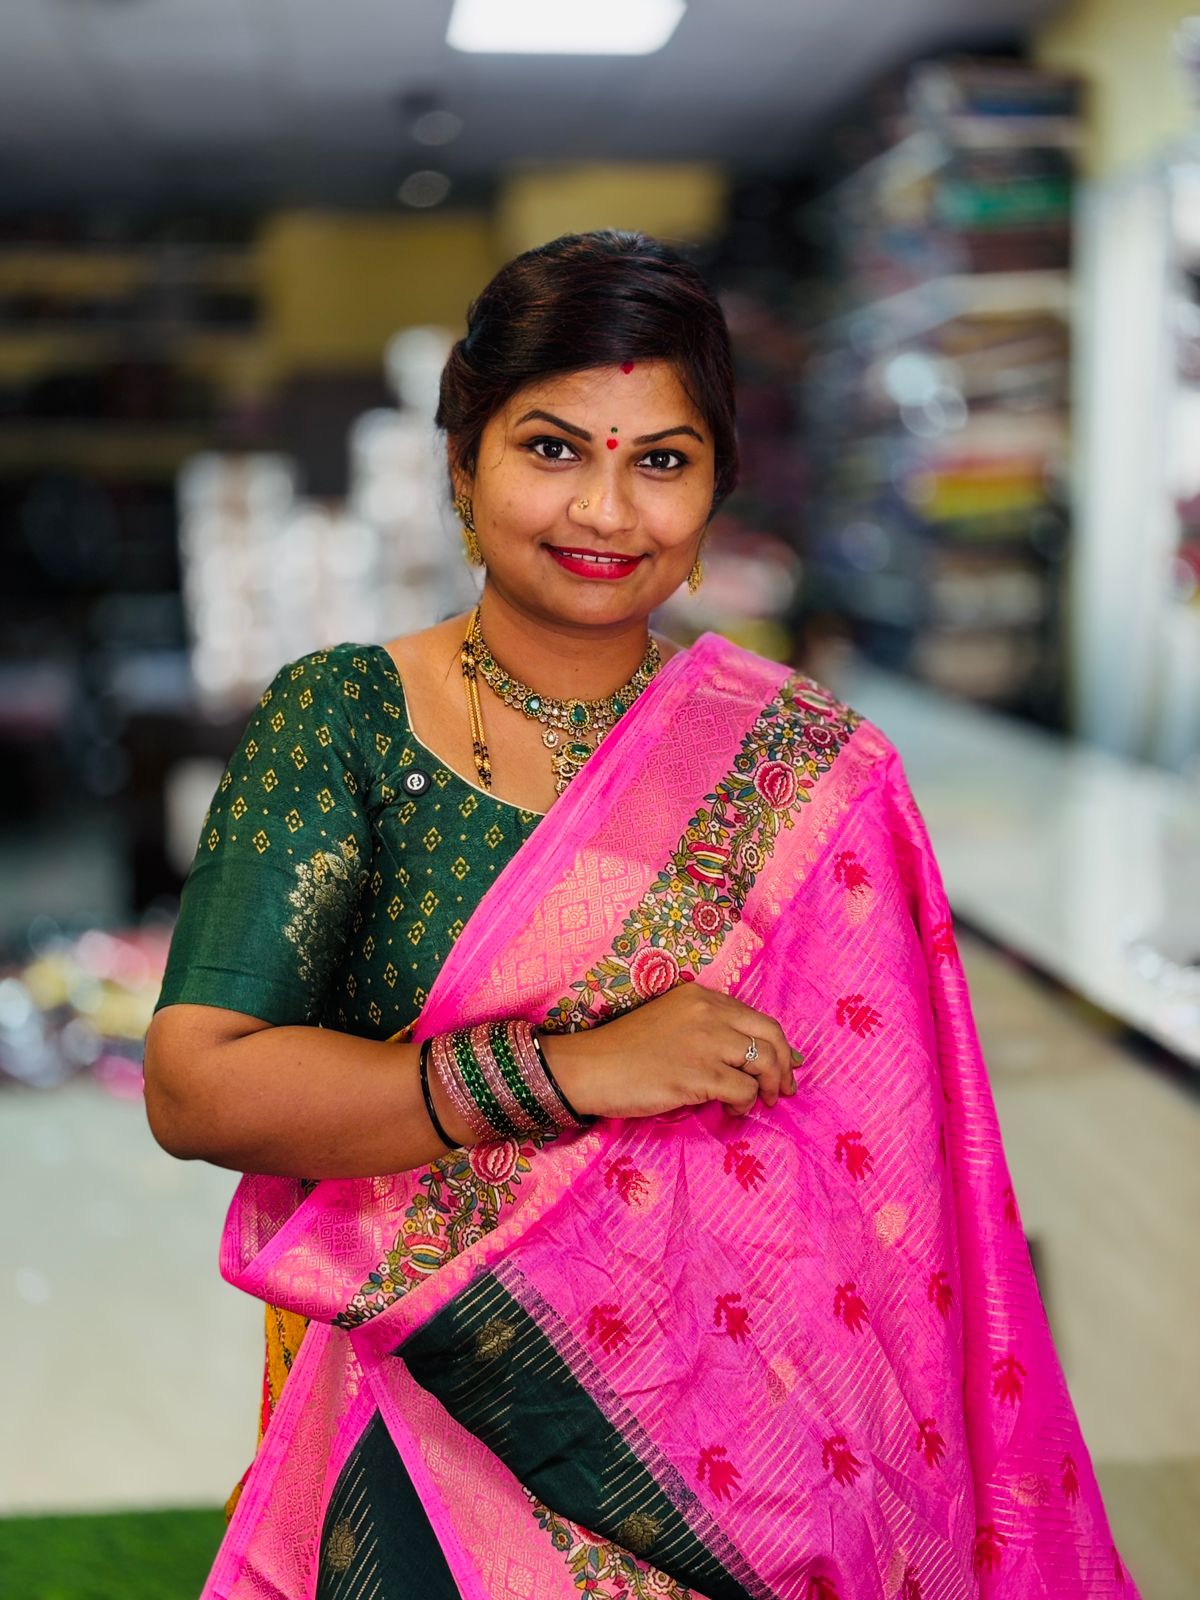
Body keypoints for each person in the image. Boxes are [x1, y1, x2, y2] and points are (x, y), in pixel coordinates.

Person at [145, 230, 1137, 1600]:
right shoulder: (346, 720)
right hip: (437, 1413)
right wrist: (569, 1072)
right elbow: (200, 1086)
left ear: (717, 485)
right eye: (552, 449)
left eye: (661, 461)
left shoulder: (809, 769)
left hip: (756, 1451)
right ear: (462, 464)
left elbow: (890, 1191)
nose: (606, 510)